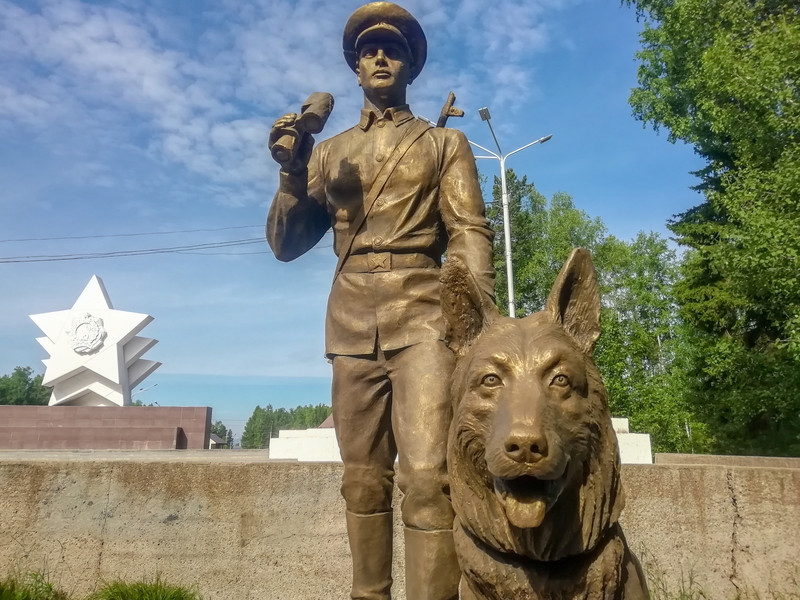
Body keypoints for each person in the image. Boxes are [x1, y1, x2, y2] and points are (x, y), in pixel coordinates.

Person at [266, 3, 494, 599]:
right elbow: (286, 246)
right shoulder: (328, 151)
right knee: (363, 481)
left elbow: (469, 233)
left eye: (392, 49)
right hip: (350, 319)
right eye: (369, 50)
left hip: (423, 314)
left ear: (410, 65)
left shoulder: (444, 143)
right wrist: (292, 175)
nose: (380, 57)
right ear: (356, 68)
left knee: (425, 477)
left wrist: (479, 324)